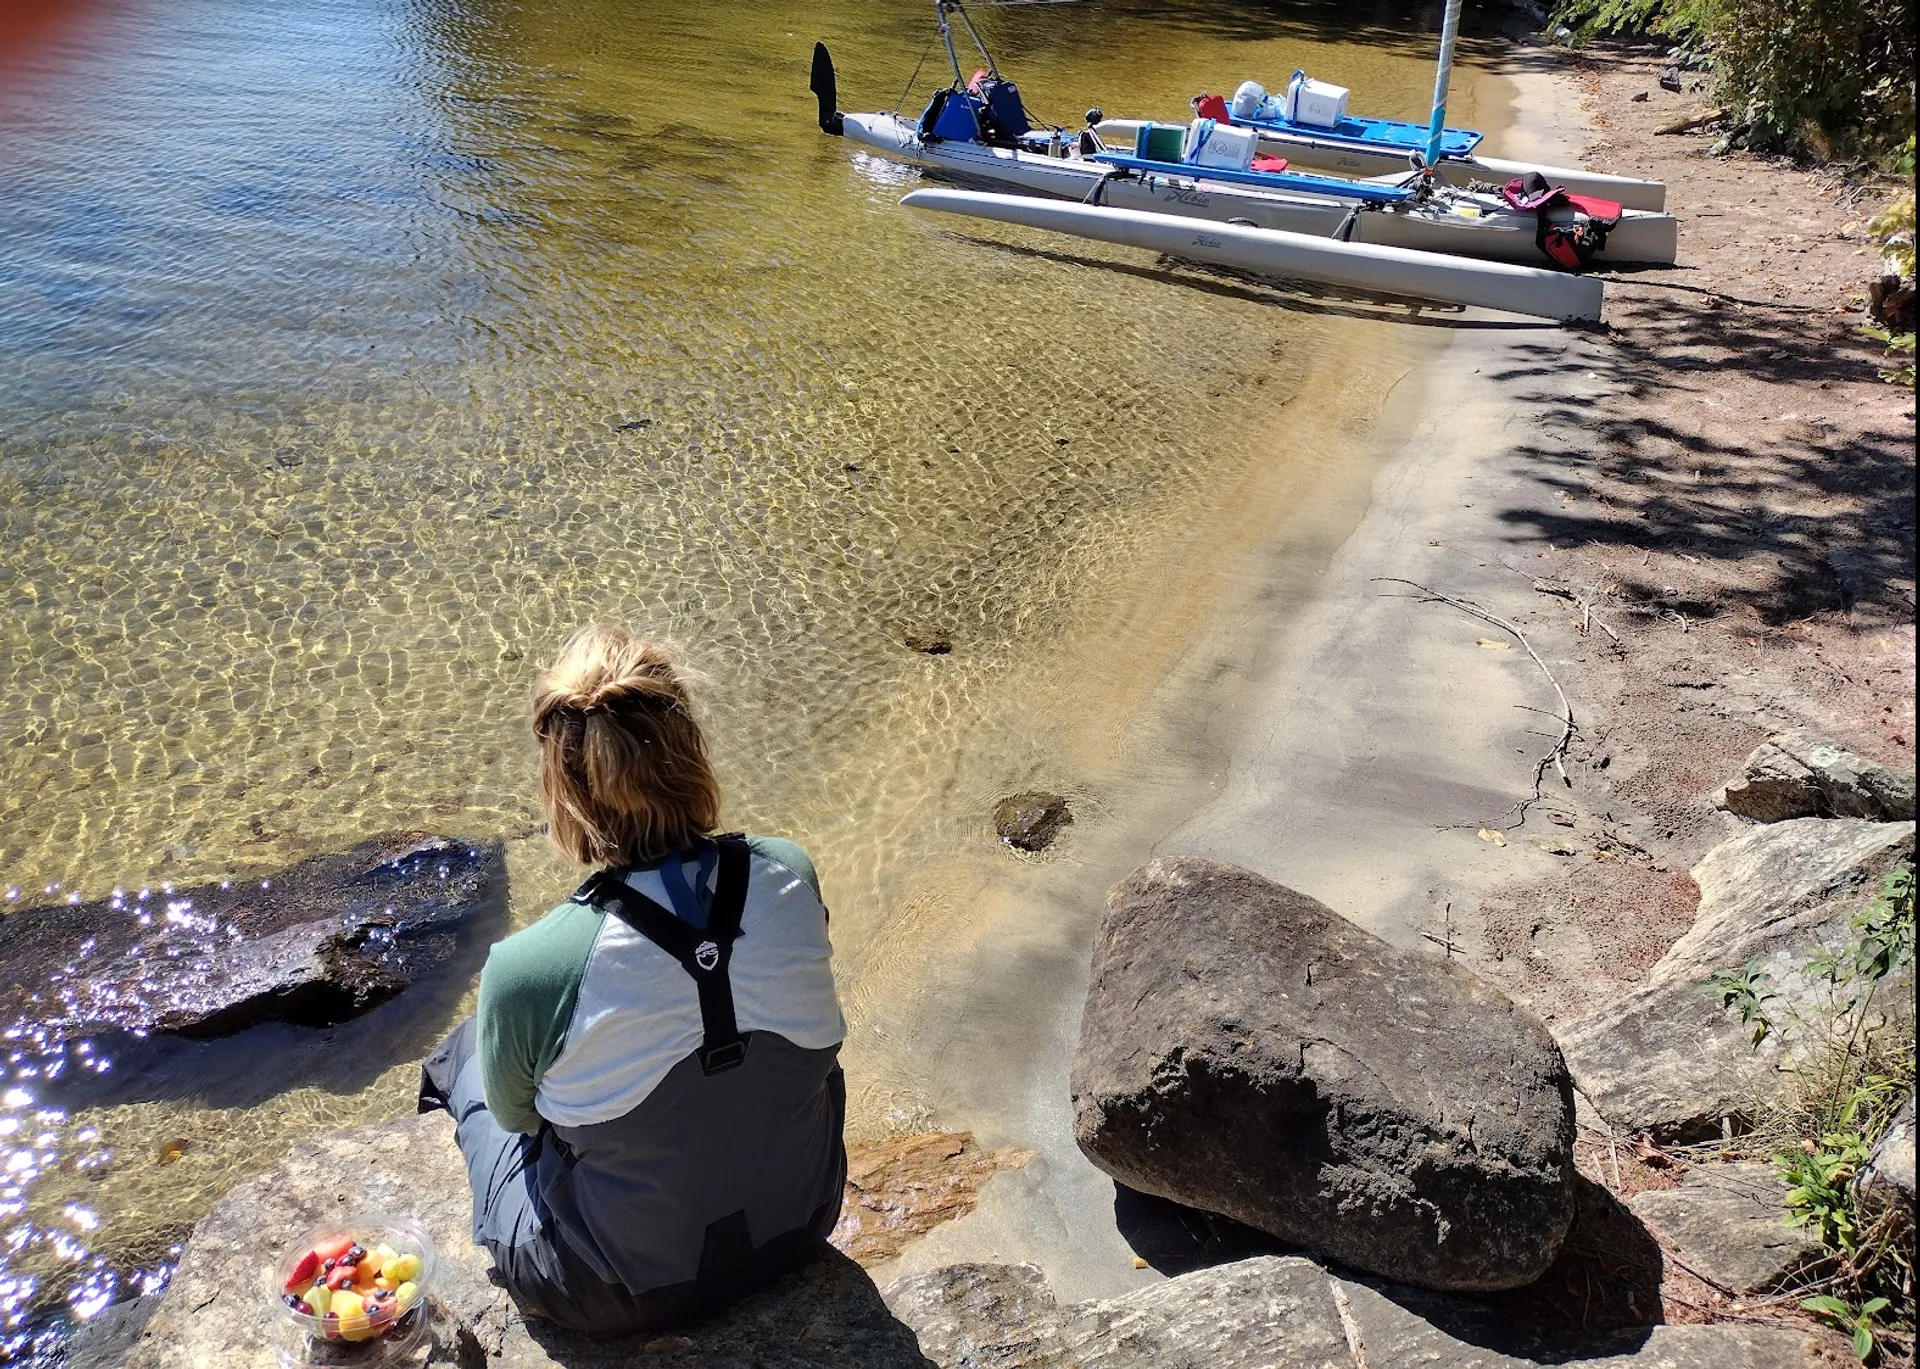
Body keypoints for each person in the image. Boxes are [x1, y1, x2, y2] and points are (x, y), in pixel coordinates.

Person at [419, 624, 847, 1333]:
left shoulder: (527, 968)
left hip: (613, 1292)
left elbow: (521, 1120)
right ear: (690, 749)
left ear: (563, 787)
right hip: (803, 1222)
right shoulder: (789, 872)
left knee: (465, 1057)